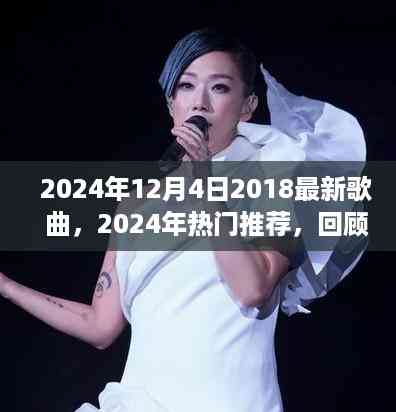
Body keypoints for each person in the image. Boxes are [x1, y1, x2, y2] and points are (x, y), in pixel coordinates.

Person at [0, 28, 367, 412]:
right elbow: (100, 325)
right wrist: (7, 287)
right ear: (171, 102)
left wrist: (203, 182)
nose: (200, 102)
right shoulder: (135, 206)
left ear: (247, 106)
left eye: (219, 88)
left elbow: (252, 288)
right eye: (187, 86)